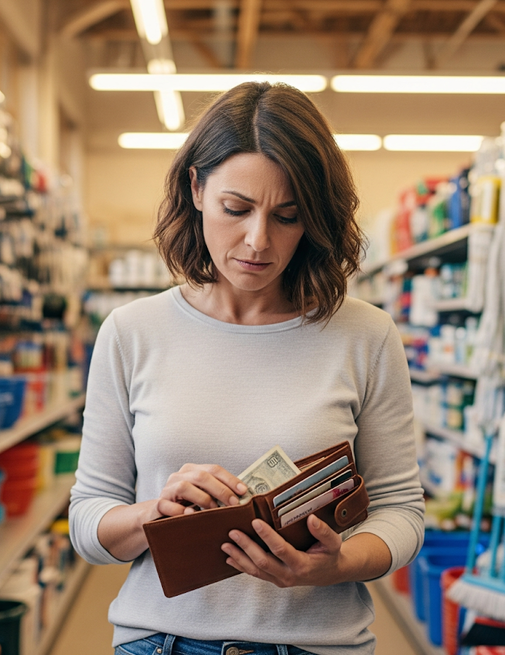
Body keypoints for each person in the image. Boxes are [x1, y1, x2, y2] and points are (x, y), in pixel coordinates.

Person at [69, 81, 424, 655]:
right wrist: (156, 514)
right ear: (197, 188)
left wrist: (335, 565)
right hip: (161, 643)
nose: (258, 241)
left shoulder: (366, 335)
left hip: (316, 645)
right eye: (236, 209)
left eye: (288, 216)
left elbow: (400, 512)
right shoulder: (132, 332)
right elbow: (88, 521)